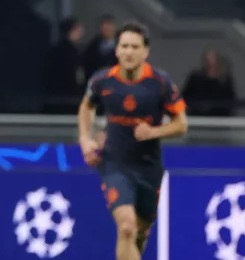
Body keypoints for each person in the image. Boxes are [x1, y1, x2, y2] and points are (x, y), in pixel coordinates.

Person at [78, 22, 188, 260]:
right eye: (124, 46)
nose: (128, 52)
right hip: (115, 164)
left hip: (149, 166)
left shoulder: (160, 83)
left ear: (145, 52)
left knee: (140, 232)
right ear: (116, 50)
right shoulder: (102, 80)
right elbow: (86, 107)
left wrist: (153, 132)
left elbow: (181, 125)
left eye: (135, 47)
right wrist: (85, 139)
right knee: (126, 227)